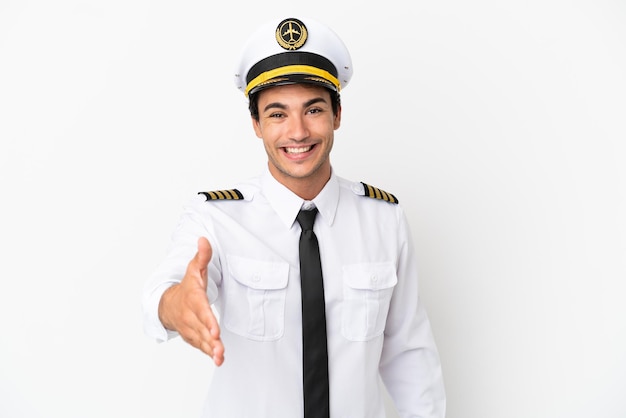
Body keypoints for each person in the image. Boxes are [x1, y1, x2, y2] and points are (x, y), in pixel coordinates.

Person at [142, 16, 446, 418]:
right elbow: (164, 290)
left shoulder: (384, 221)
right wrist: (175, 304)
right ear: (256, 125)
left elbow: (409, 354)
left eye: (314, 109)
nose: (298, 132)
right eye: (277, 114)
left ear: (338, 115)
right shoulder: (217, 218)